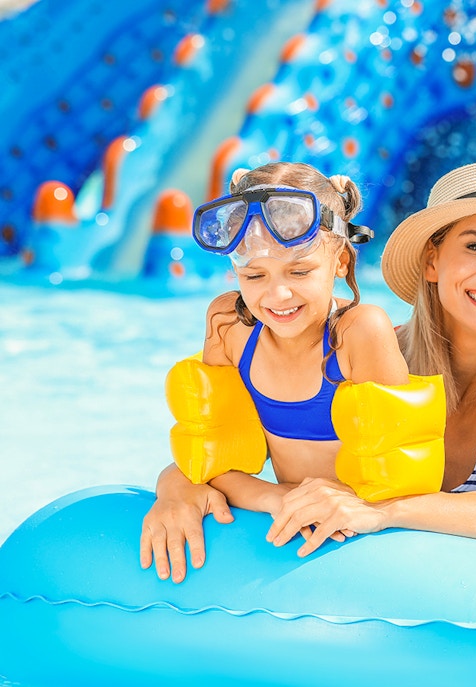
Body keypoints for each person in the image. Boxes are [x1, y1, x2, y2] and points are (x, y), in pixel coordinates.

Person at [262, 160, 476, 554]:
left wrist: (387, 510)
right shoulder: (369, 353)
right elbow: (255, 449)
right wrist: (178, 483)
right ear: (432, 261)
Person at [141, 161, 411, 581]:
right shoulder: (228, 326)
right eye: (254, 275)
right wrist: (272, 498)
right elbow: (211, 460)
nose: (277, 295)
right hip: (290, 519)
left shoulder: (361, 332)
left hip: (364, 533)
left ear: (340, 261)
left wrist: (293, 499)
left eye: (300, 271)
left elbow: (405, 477)